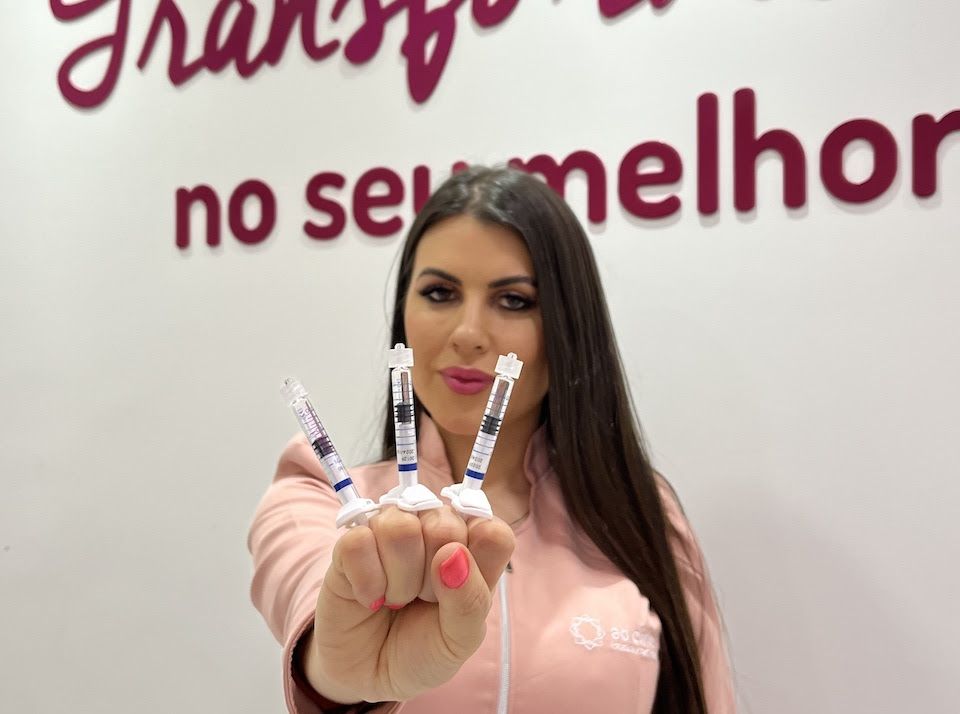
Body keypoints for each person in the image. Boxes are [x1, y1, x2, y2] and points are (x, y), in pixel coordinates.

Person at [248, 166, 736, 713]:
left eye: (514, 300)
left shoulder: (640, 512)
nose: (468, 334)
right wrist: (342, 670)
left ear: (568, 328)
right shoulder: (322, 496)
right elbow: (313, 602)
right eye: (439, 293)